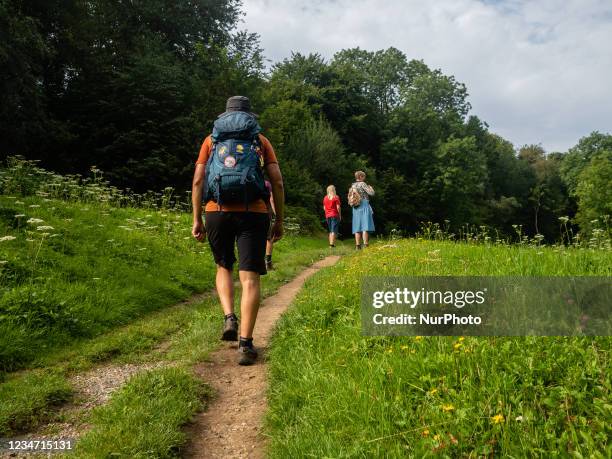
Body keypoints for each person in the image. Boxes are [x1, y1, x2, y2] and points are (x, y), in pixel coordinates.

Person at [191, 95, 284, 366]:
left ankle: (229, 317)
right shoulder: (260, 141)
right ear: (249, 116)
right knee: (250, 277)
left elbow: (198, 180)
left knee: (223, 266)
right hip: (253, 212)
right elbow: (276, 182)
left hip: (216, 211)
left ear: (225, 115)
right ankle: (246, 344)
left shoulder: (211, 140)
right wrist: (278, 219)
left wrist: (197, 218)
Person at [349, 170, 375, 249]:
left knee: (357, 226)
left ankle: (357, 246)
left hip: (355, 206)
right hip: (364, 205)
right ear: (360, 176)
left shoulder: (353, 185)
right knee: (365, 226)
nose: (364, 178)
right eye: (363, 177)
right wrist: (371, 188)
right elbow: (371, 193)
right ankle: (366, 244)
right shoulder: (363, 184)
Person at [264, 180, 275, 270]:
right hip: (265, 213)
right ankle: (268, 263)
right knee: (269, 238)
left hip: (250, 214)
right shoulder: (267, 183)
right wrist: (277, 213)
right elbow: (271, 199)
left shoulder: (248, 180)